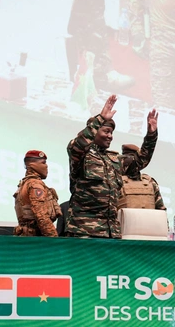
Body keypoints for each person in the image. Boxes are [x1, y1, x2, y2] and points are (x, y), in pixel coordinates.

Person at [65, 94, 158, 238]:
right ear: (95, 132)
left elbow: (140, 161)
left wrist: (151, 135)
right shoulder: (81, 156)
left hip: (111, 233)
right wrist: (100, 118)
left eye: (112, 132)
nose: (110, 136)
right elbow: (79, 144)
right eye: (106, 131)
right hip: (84, 231)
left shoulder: (114, 159)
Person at [13, 150, 61, 237]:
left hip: (26, 236)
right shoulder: (35, 185)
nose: (46, 166)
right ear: (31, 164)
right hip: (36, 238)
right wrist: (54, 239)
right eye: (43, 163)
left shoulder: (24, 184)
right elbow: (41, 216)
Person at [118, 143, 166, 210]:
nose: (130, 162)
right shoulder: (116, 180)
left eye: (133, 159)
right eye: (126, 158)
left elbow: (161, 211)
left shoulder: (150, 182)